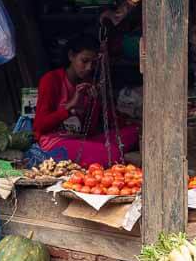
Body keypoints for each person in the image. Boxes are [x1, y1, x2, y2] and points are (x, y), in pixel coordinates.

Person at [33, 35, 139, 167]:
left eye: (93, 63)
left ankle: (104, 153)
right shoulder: (51, 80)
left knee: (135, 131)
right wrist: (69, 107)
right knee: (113, 153)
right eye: (84, 61)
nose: (89, 68)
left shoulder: (89, 83)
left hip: (82, 140)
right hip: (55, 142)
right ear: (71, 56)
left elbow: (90, 130)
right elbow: (39, 127)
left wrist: (97, 101)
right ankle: (110, 155)